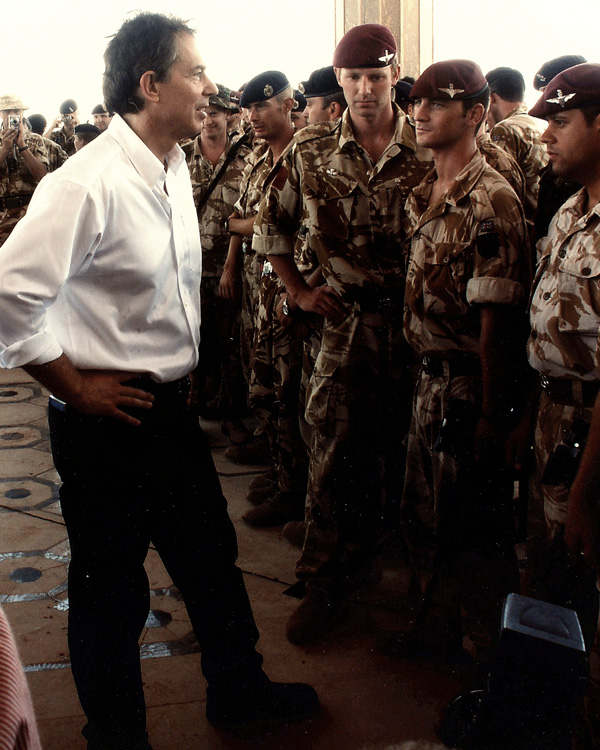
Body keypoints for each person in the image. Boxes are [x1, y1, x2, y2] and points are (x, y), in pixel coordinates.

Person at [0, 12, 318, 749]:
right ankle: (117, 735)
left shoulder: (171, 165)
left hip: (166, 407)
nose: (210, 86)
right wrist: (74, 387)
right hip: (105, 416)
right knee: (110, 587)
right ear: (151, 84)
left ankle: (238, 691)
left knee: (209, 555)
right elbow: (10, 297)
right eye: (196, 72)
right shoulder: (85, 183)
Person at [254, 23, 431, 644]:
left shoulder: (429, 147)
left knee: (413, 457)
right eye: (352, 78)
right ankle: (325, 581)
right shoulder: (308, 153)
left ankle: (420, 595)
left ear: (394, 76)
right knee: (332, 450)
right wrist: (299, 291)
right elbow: (269, 233)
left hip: (416, 330)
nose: (363, 89)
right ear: (339, 81)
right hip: (347, 324)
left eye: (376, 77)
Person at [379, 60, 528, 663]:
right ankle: (436, 628)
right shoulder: (424, 192)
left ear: (475, 113)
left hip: (469, 390)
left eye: (437, 104)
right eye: (415, 102)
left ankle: (484, 657)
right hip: (427, 382)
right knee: (425, 517)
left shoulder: (491, 198)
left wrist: (496, 413)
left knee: (475, 533)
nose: (419, 113)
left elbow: (498, 323)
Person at [526, 62, 600, 747]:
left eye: (562, 121)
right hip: (554, 421)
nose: (545, 135)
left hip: (592, 433)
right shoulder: (571, 209)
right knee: (551, 576)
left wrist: (583, 492)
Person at [219, 71, 296, 470]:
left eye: (261, 106)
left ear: (288, 105)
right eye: (248, 108)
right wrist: (231, 264)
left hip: (285, 283)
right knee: (259, 367)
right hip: (254, 280)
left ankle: (289, 475)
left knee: (285, 381)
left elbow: (270, 223)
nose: (252, 116)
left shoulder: (301, 157)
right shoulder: (257, 158)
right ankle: (272, 452)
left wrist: (242, 224)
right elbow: (241, 214)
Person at [184, 83, 252, 445]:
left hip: (231, 268)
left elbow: (247, 213)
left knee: (231, 344)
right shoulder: (178, 158)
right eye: (204, 113)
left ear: (230, 116)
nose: (209, 120)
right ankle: (191, 413)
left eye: (216, 113)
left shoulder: (247, 156)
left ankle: (231, 415)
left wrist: (230, 268)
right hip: (188, 269)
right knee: (193, 341)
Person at [485, 66, 548, 230]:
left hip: (521, 229)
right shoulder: (542, 124)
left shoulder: (505, 129)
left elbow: (497, 193)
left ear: (491, 98)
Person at [0, 95, 48, 246]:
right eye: (7, 111)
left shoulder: (35, 140)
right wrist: (5, 148)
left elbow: (42, 175)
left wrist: (22, 147)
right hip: (3, 213)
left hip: (30, 212)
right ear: (1, 114)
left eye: (16, 111)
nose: (11, 114)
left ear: (22, 114)